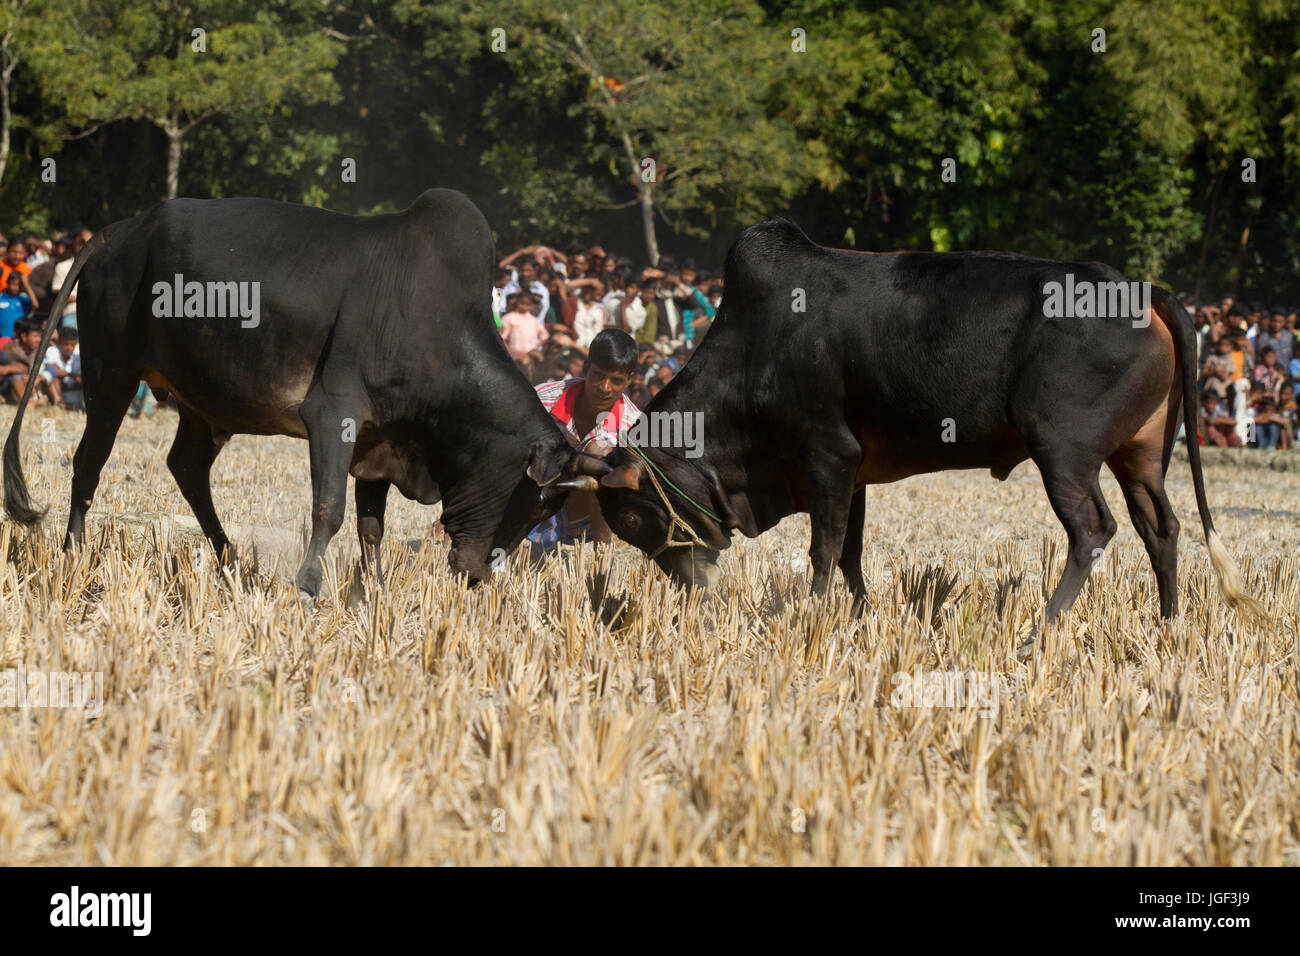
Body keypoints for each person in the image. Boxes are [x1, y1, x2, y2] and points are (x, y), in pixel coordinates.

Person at [526, 329, 640, 554]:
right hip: (534, 504)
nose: (605, 388)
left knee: (598, 452)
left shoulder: (633, 426)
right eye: (599, 375)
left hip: (586, 520)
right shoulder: (543, 400)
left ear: (629, 380)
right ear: (586, 368)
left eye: (616, 381)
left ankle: (602, 560)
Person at [0, 319, 48, 403]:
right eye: (36, 336)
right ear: (24, 337)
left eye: (40, 336)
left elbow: (49, 367)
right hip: (9, 385)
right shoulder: (10, 349)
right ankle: (26, 403)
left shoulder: (39, 351)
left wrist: (37, 378)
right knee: (16, 375)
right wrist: (11, 369)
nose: (39, 340)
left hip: (32, 382)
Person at [500, 291, 548, 369]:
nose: (524, 307)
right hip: (515, 354)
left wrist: (536, 347)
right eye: (522, 303)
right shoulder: (509, 318)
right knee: (525, 364)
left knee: (541, 359)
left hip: (532, 352)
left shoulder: (534, 320)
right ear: (517, 303)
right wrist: (509, 353)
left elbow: (544, 336)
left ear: (531, 306)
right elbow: (502, 338)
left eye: (528, 305)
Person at [42, 326, 83, 409]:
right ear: (59, 342)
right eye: (66, 344)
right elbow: (52, 370)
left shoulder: (78, 353)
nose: (69, 348)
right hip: (58, 388)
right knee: (50, 375)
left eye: (72, 345)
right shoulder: (51, 351)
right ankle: (59, 402)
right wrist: (71, 375)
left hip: (75, 391)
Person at [0, 269, 34, 347]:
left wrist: (27, 285)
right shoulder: (1, 298)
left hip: (20, 339)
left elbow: (35, 305)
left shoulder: (22, 298)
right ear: (7, 283)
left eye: (19, 285)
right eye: (13, 284)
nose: (16, 287)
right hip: (4, 337)